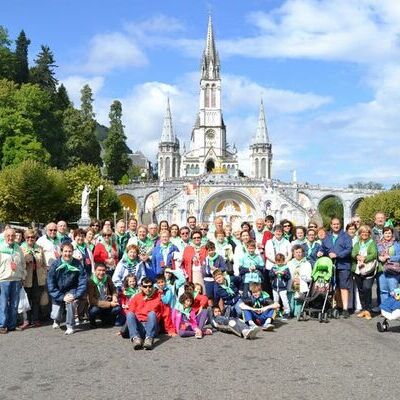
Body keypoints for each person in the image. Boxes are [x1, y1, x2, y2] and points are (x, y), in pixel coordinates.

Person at [47, 242, 88, 335]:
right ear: (61, 252)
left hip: (71, 289)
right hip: (58, 290)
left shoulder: (77, 264)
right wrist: (61, 297)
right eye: (65, 251)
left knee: (71, 302)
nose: (67, 254)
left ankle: (70, 326)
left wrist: (75, 295)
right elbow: (50, 284)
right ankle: (57, 320)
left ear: (72, 252)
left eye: (70, 251)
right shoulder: (55, 264)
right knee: (55, 314)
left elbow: (82, 282)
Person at [317, 217, 352, 318]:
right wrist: (320, 251)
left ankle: (345, 309)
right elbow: (323, 247)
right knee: (333, 287)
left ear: (340, 225)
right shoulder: (327, 236)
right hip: (330, 265)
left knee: (343, 287)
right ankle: (335, 306)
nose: (336, 226)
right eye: (334, 224)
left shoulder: (346, 236)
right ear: (331, 225)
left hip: (343, 265)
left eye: (338, 224)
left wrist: (337, 255)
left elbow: (348, 249)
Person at [0, 228, 26, 334]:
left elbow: (23, 264)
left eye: (12, 236)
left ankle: (12, 324)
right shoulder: (1, 248)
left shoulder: (18, 248)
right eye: (8, 236)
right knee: (3, 304)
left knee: (15, 303)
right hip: (3, 279)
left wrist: (23, 276)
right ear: (4, 236)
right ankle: (2, 325)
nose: (11, 238)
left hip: (16, 279)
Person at [126, 278, 164, 350]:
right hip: (139, 326)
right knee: (130, 313)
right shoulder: (136, 297)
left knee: (152, 313)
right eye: (145, 286)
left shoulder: (158, 297)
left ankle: (149, 339)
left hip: (151, 326)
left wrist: (170, 329)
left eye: (150, 286)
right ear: (141, 287)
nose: (148, 289)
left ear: (153, 286)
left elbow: (163, 314)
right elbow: (131, 312)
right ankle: (136, 338)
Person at [21, 229, 47, 328]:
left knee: (36, 300)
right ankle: (26, 320)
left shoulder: (39, 248)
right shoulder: (21, 248)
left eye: (32, 237)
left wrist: (44, 274)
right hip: (26, 277)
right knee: (26, 300)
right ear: (25, 238)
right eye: (28, 237)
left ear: (35, 238)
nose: (30, 239)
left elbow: (44, 264)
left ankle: (35, 319)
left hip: (38, 278)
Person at [351, 225, 378, 320]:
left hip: (368, 270)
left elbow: (374, 254)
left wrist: (365, 258)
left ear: (369, 234)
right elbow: (353, 253)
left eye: (366, 232)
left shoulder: (371, 243)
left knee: (367, 288)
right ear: (360, 234)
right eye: (362, 232)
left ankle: (368, 310)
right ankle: (363, 309)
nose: (364, 234)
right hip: (358, 270)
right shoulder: (357, 244)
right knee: (361, 290)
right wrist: (357, 256)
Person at [87, 263, 121, 327]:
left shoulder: (107, 278)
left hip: (107, 302)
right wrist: (110, 304)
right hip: (97, 305)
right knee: (94, 310)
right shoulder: (90, 281)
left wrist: (114, 296)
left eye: (103, 270)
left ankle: (107, 320)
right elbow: (92, 300)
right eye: (99, 270)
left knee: (117, 308)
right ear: (95, 271)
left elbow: (113, 289)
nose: (101, 272)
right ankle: (92, 322)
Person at [287, 245, 312, 317]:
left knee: (296, 314)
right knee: (290, 311)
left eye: (300, 252)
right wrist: (292, 279)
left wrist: (300, 280)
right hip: (291, 288)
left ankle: (299, 310)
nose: (298, 254)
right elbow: (287, 275)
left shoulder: (307, 263)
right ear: (293, 254)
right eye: (296, 252)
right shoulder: (289, 263)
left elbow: (309, 278)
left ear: (302, 253)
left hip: (301, 289)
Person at [377, 227, 400, 304]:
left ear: (392, 234)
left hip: (393, 270)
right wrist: (379, 258)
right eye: (386, 233)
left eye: (389, 233)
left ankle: (396, 308)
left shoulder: (396, 244)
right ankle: (385, 309)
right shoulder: (379, 244)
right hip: (382, 270)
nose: (387, 235)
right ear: (383, 234)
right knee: (383, 291)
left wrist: (389, 257)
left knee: (394, 291)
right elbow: (375, 255)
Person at [269, 253, 291, 319]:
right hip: (275, 287)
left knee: (284, 300)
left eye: (281, 262)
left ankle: (287, 312)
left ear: (283, 261)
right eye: (278, 261)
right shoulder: (274, 267)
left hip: (283, 287)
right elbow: (270, 275)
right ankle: (276, 312)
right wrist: (274, 273)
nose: (279, 263)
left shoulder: (286, 268)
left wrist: (284, 273)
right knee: (275, 300)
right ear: (276, 261)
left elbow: (288, 277)